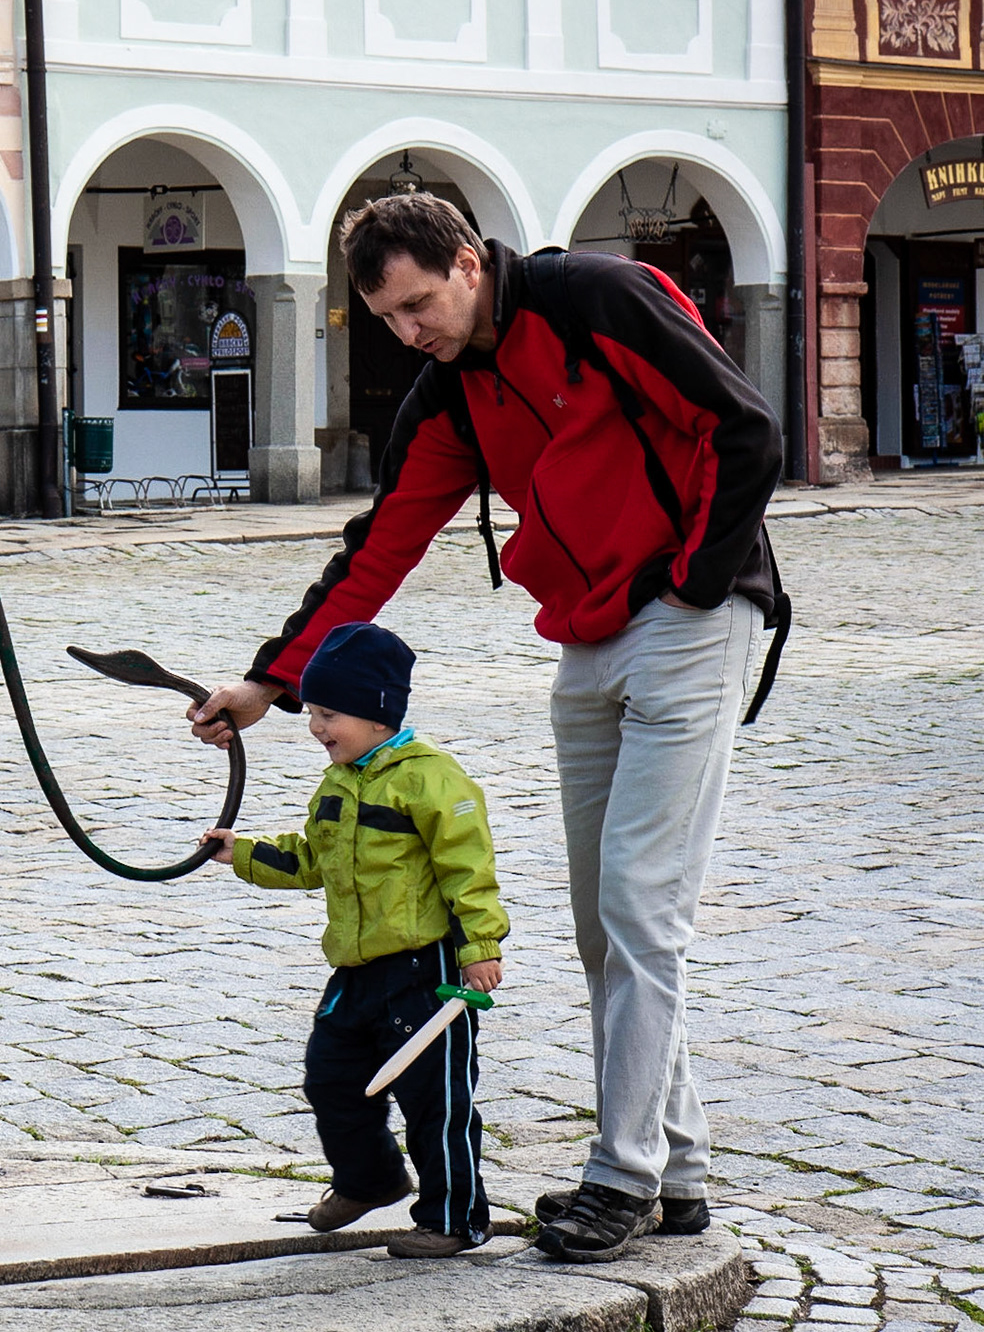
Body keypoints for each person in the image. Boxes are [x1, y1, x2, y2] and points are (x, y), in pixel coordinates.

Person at [189, 193, 787, 1265]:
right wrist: (268, 684)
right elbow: (377, 553)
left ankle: (624, 1176)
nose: (411, 330)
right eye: (388, 318)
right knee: (605, 916)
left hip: (692, 618)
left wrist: (696, 584)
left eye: (421, 303)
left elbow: (745, 427)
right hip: (589, 631)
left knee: (642, 905)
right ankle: (679, 1169)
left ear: (469, 263)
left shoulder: (602, 299)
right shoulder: (450, 396)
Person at [202, 619, 507, 1259]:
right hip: (356, 972)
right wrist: (244, 853)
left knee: (436, 1101)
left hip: (429, 974)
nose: (316, 726)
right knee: (331, 1077)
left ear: (376, 713)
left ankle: (454, 1217)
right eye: (311, 712)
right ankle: (370, 1178)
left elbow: (469, 870)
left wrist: (482, 946)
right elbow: (315, 859)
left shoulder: (433, 781)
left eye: (329, 713)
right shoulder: (338, 781)